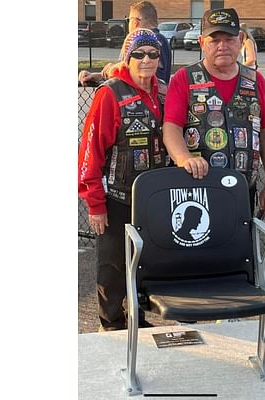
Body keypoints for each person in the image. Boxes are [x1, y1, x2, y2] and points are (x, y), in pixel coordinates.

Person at [78, 28, 168, 332]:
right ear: (127, 58)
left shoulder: (166, 92)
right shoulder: (110, 94)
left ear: (160, 57)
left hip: (153, 202)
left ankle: (137, 320)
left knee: (144, 265)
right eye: (139, 54)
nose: (146, 60)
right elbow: (91, 152)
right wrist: (95, 205)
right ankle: (111, 325)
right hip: (117, 200)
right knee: (114, 268)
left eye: (153, 54)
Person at [162, 8, 265, 216]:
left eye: (229, 39)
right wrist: (184, 158)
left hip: (242, 191)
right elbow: (171, 128)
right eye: (214, 40)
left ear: (241, 39)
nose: (222, 46)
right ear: (201, 42)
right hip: (195, 190)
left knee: (239, 247)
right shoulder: (184, 78)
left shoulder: (255, 81)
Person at [78, 1, 172, 85]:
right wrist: (99, 75)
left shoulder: (149, 41)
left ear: (135, 22)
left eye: (128, 20)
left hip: (140, 101)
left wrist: (113, 69)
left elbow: (150, 78)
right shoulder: (161, 39)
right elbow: (129, 72)